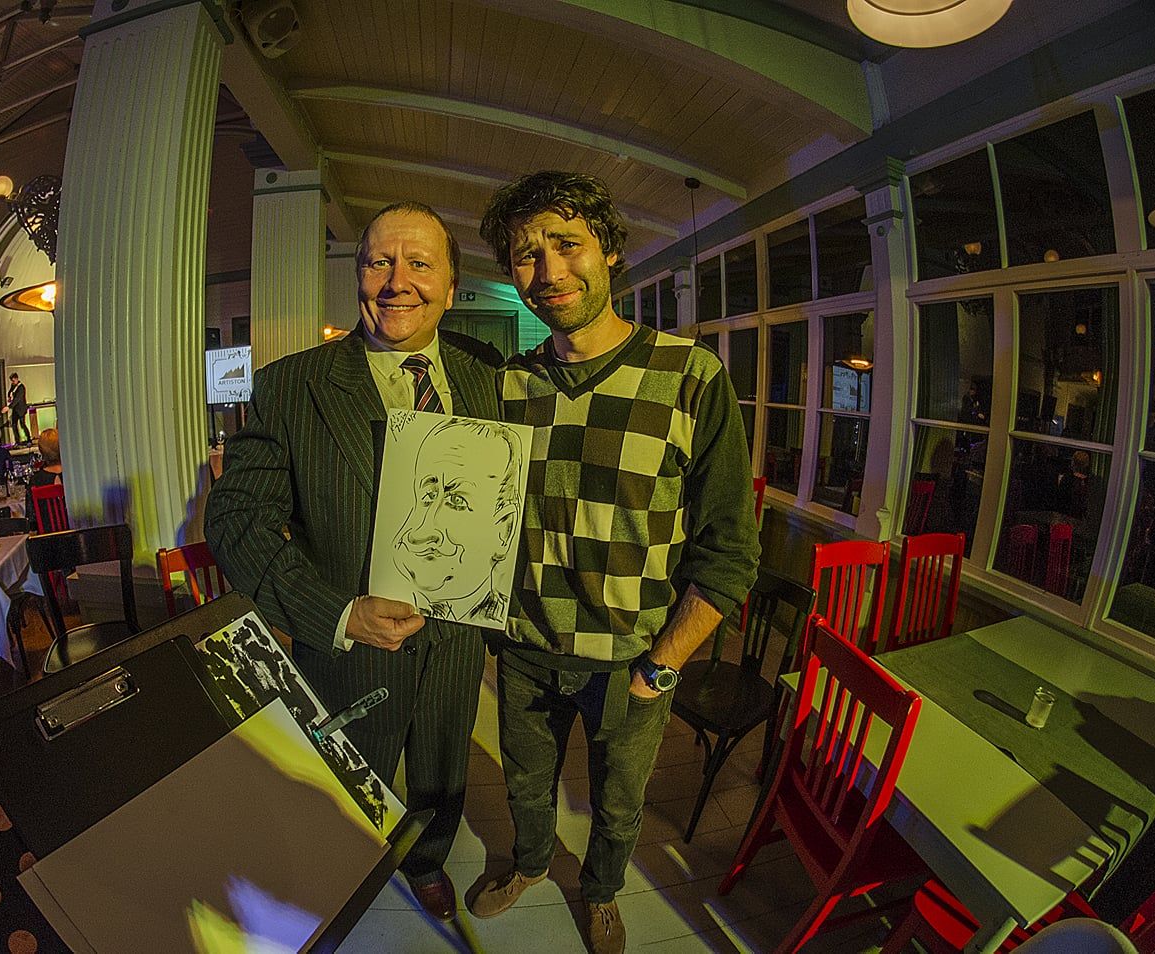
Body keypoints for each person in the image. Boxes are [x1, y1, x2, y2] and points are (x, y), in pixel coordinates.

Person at [469, 172, 759, 954]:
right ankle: (531, 864)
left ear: (610, 252)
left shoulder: (691, 376)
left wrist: (662, 666)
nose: (547, 271)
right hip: (526, 651)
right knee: (526, 784)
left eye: (567, 244)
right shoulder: (508, 386)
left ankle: (599, 893)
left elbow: (731, 549)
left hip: (632, 657)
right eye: (526, 254)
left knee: (620, 803)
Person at [206, 202, 502, 923]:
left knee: (441, 768)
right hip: (348, 648)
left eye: (419, 264)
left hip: (457, 641)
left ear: (451, 286)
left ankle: (426, 861)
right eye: (379, 263)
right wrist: (336, 613)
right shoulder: (289, 385)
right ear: (358, 276)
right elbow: (236, 520)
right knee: (342, 783)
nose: (397, 282)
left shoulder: (489, 376)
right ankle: (341, 876)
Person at [392, 417, 523, 625]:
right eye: (428, 496)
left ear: (504, 530)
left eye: (457, 501)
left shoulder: (509, 620)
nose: (424, 529)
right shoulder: (393, 590)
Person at [25, 427, 63, 527]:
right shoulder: (73, 476)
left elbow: (31, 519)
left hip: (47, 535)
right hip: (76, 532)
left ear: (42, 451)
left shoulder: (35, 481)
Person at [7, 372, 31, 445]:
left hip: (21, 409)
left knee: (22, 424)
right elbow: (10, 393)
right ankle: (17, 441)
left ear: (17, 379)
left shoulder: (21, 387)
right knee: (14, 424)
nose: (12, 382)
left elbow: (17, 398)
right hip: (15, 409)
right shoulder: (13, 386)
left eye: (13, 380)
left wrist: (9, 407)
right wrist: (9, 397)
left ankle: (29, 439)